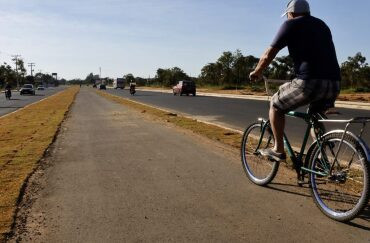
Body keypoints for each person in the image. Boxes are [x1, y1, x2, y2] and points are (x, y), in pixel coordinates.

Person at [249, 0, 341, 162]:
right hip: (334, 84)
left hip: (309, 82)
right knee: (314, 116)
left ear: (290, 13)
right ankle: (321, 157)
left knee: (276, 104)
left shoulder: (290, 25)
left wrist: (257, 72)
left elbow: (268, 54)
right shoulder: (322, 25)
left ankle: (278, 149)